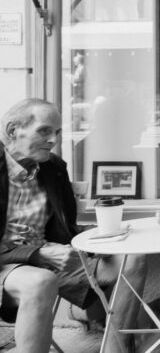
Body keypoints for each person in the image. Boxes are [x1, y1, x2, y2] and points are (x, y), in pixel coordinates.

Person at [0, 98, 146, 353]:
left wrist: (110, 234)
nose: (53, 139)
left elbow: (66, 228)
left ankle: (115, 349)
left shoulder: (53, 168)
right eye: (44, 131)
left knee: (132, 258)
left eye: (56, 132)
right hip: (8, 264)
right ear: (13, 131)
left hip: (51, 257)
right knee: (40, 281)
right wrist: (36, 253)